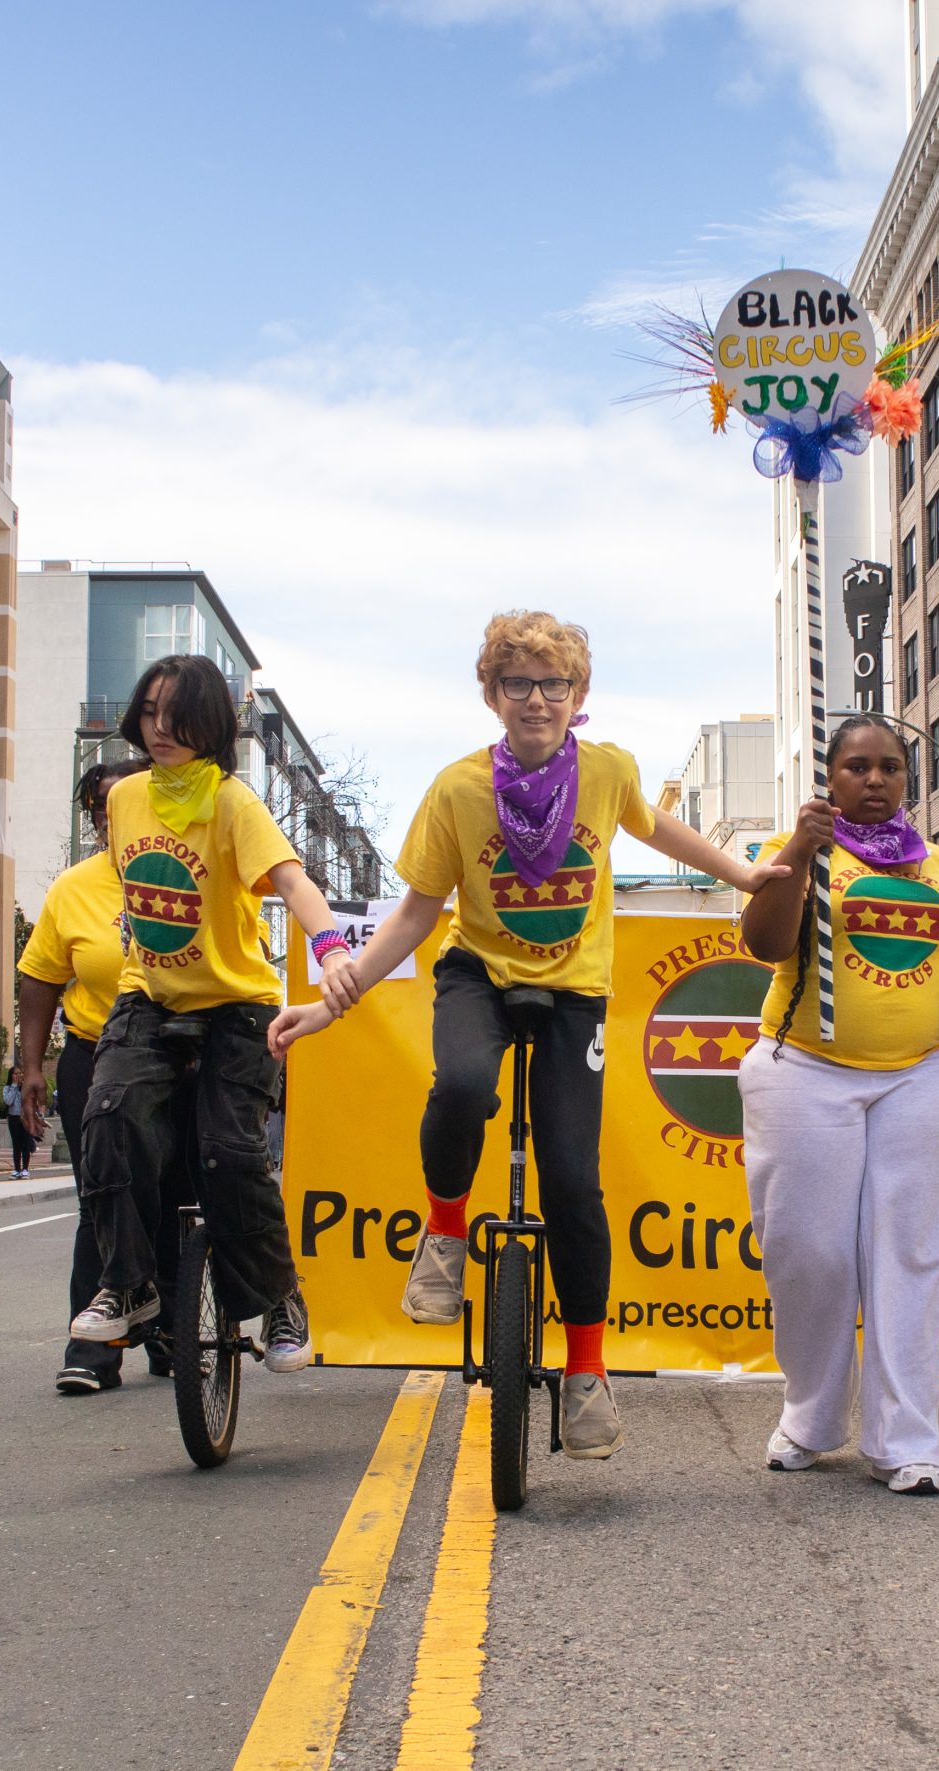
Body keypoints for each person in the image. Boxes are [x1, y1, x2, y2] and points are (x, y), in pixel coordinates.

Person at [271, 611, 783, 1458]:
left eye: (554, 684)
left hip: (573, 992)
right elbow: (415, 917)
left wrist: (744, 871)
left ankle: (587, 1371)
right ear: (492, 695)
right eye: (519, 684)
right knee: (464, 1085)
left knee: (573, 1184)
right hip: (480, 975)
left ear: (578, 696)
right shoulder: (458, 790)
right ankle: (444, 1231)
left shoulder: (608, 771)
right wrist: (331, 1004)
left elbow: (665, 833)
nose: (537, 699)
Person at [738, 717, 939, 1496]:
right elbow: (763, 941)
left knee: (915, 1255)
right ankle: (812, 1415)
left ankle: (907, 1439)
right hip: (806, 1069)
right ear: (831, 777)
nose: (875, 779)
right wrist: (797, 853)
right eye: (857, 766)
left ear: (907, 779)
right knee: (808, 1252)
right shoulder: (796, 854)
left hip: (925, 1076)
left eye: (890, 766)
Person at [64, 654, 355, 1377]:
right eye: (151, 711)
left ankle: (280, 1297)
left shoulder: (233, 802)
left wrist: (331, 952)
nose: (161, 727)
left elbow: (293, 880)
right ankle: (128, 1286)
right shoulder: (125, 796)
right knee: (109, 1117)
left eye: (178, 715)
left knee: (229, 1152)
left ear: (211, 726)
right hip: (150, 995)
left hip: (236, 1002)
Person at [20, 762, 136, 1394]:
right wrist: (30, 1065)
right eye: (99, 811)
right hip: (94, 1053)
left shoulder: (201, 873)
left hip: (182, 1051)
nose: (110, 820)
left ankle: (178, 1326)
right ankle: (92, 1346)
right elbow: (40, 976)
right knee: (101, 1197)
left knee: (179, 1190)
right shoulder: (73, 889)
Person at [4, 1074, 34, 1180]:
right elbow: (8, 1101)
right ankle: (17, 1169)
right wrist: (14, 1086)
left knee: (25, 1143)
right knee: (16, 1144)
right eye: (15, 1073)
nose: (18, 1076)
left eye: (20, 1073)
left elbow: (31, 1101)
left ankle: (25, 1169)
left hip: (25, 1118)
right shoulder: (8, 1088)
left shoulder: (27, 1088)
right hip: (13, 1118)